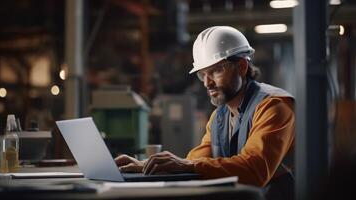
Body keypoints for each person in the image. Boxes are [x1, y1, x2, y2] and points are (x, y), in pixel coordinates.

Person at [115, 26, 295, 200]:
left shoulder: (273, 106)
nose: (207, 83)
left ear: (241, 66)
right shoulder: (219, 117)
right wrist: (146, 166)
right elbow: (196, 161)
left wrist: (187, 165)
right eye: (203, 74)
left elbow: (255, 170)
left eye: (216, 71)